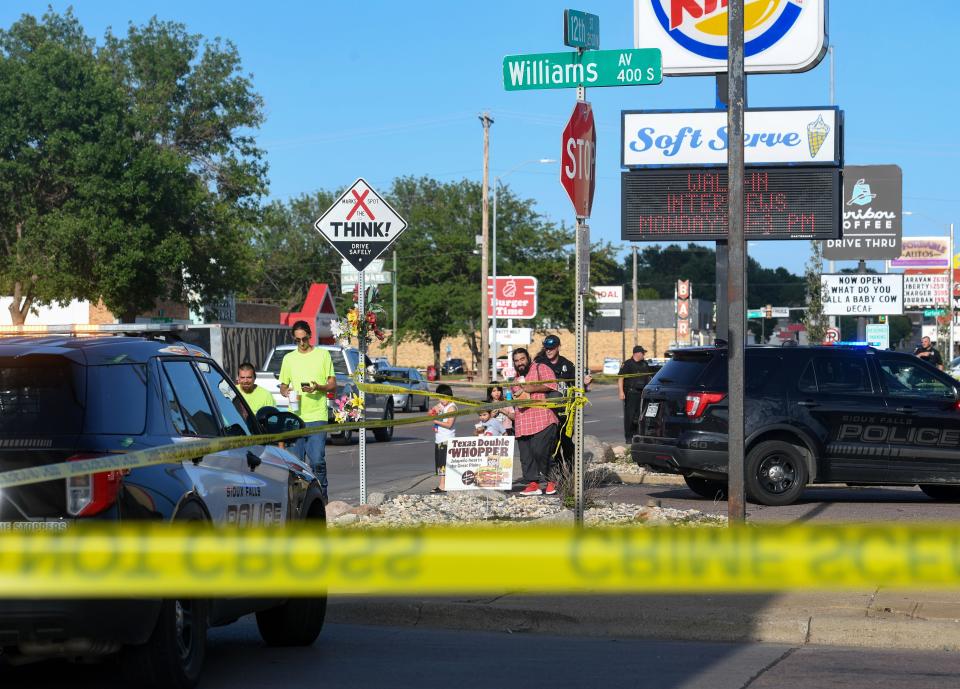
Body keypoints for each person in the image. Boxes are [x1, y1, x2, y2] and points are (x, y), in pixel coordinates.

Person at [278, 320, 336, 499]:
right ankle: (300, 500)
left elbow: (332, 384)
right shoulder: (289, 359)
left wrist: (318, 387)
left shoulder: (323, 355)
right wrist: (285, 391)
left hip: (317, 415)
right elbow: (283, 384)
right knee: (296, 464)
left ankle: (322, 496)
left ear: (310, 336)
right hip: (295, 417)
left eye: (304, 339)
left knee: (317, 460)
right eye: (297, 340)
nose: (301, 343)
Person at [534, 335, 592, 473]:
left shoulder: (567, 364)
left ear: (558, 347)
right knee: (552, 445)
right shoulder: (539, 363)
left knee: (566, 442)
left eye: (552, 348)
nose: (549, 351)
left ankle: (573, 474)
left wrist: (585, 383)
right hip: (546, 412)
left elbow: (578, 387)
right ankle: (558, 475)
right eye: (546, 348)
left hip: (565, 412)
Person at [510, 347, 559, 496]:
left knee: (541, 452)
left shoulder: (540, 368)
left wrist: (530, 388)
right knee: (526, 457)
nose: (520, 363)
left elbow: (552, 385)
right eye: (516, 360)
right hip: (522, 423)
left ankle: (552, 481)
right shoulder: (515, 380)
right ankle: (533, 485)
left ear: (528, 358)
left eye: (522, 359)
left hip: (542, 419)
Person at [619, 345, 652, 443]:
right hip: (631, 393)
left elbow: (648, 378)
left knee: (640, 416)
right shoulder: (627, 364)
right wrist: (621, 392)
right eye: (643, 353)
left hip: (642, 393)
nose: (644, 355)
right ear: (637, 353)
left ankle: (637, 436)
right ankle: (629, 437)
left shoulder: (645, 364)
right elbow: (621, 378)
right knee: (630, 415)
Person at [429, 384, 457, 493]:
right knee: (440, 463)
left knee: (444, 464)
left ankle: (443, 485)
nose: (442, 400)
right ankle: (443, 484)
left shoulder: (452, 407)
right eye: (440, 397)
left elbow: (449, 424)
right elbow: (430, 413)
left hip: (447, 439)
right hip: (439, 438)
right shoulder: (441, 405)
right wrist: (434, 410)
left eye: (445, 397)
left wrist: (436, 421)